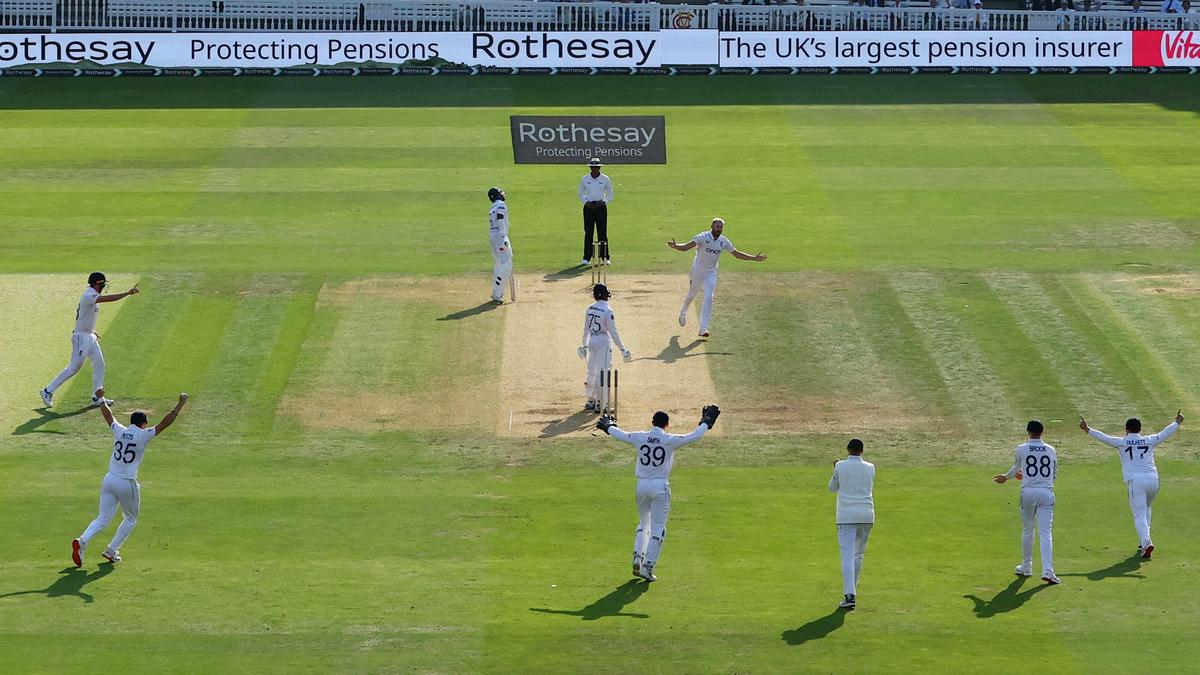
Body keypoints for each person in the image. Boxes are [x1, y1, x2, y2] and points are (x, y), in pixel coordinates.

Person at [597, 404, 720, 582]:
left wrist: (608, 426)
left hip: (641, 487)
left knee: (643, 523)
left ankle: (637, 558)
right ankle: (647, 568)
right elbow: (695, 436)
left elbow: (621, 435)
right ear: (667, 424)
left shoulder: (641, 437)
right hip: (660, 487)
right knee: (658, 529)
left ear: (652, 422)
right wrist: (706, 422)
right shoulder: (670, 440)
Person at [71, 392, 189, 567]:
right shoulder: (143, 435)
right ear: (143, 424)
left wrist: (101, 399)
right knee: (130, 519)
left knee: (103, 518)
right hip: (126, 482)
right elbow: (165, 423)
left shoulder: (120, 430)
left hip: (109, 479)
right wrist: (180, 404)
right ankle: (112, 550)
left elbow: (108, 416)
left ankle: (82, 541)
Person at [1079, 410, 1184, 559]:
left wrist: (1087, 429)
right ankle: (1143, 542)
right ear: (1140, 430)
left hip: (1136, 482)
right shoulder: (1149, 440)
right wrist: (1177, 422)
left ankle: (1147, 542)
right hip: (1154, 481)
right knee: (1147, 507)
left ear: (1126, 430)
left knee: (1139, 514)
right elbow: (1164, 434)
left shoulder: (1122, 442)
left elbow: (1104, 438)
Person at [41, 272, 140, 409]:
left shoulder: (92, 295)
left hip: (89, 336)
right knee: (74, 368)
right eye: (102, 284)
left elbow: (84, 316)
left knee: (100, 364)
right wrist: (127, 293)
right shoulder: (89, 295)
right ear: (96, 284)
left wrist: (91, 331)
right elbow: (108, 299)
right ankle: (47, 391)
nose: (103, 287)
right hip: (81, 338)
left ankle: (96, 396)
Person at [668, 217, 767, 338]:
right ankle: (683, 311)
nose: (719, 229)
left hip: (711, 272)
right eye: (717, 226)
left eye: (721, 227)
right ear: (712, 226)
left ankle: (703, 328)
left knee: (709, 297)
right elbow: (686, 247)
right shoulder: (703, 237)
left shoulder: (724, 241)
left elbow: (736, 254)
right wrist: (675, 246)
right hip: (698, 270)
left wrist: (754, 258)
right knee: (692, 294)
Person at [993, 420, 1061, 585]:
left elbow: (1016, 469)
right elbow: (1054, 475)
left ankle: (1027, 566)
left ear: (1028, 432)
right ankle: (1048, 571)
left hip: (1028, 493)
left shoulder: (1021, 449)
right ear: (1042, 432)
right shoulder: (1051, 450)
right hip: (1046, 493)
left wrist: (1005, 477)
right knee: (1046, 533)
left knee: (1028, 529)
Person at [829, 438, 875, 610]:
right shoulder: (871, 467)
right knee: (858, 555)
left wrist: (836, 468)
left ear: (848, 450)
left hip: (847, 516)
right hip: (866, 515)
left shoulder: (840, 466)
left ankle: (850, 595)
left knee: (848, 555)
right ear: (861, 451)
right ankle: (852, 592)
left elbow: (832, 488)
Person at [578, 283, 631, 412]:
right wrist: (623, 350)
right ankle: (602, 404)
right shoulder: (608, 311)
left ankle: (591, 400)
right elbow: (613, 332)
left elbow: (586, 329)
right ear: (606, 295)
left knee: (592, 371)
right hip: (604, 344)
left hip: (592, 342)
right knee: (603, 373)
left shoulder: (590, 308)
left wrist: (584, 345)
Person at [578, 158, 614, 266]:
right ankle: (586, 258)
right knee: (588, 233)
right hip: (589, 208)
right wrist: (586, 201)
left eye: (596, 167)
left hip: (601, 208)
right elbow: (580, 194)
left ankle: (605, 257)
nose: (594, 169)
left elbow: (610, 194)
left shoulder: (605, 179)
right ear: (590, 168)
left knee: (602, 233)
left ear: (599, 168)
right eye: (592, 167)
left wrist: (603, 202)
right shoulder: (585, 179)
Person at [487, 187, 513, 304]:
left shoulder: (492, 207)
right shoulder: (501, 205)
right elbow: (500, 219)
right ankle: (497, 294)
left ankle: (496, 292)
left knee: (499, 264)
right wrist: (504, 239)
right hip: (500, 236)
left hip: (493, 236)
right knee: (506, 263)